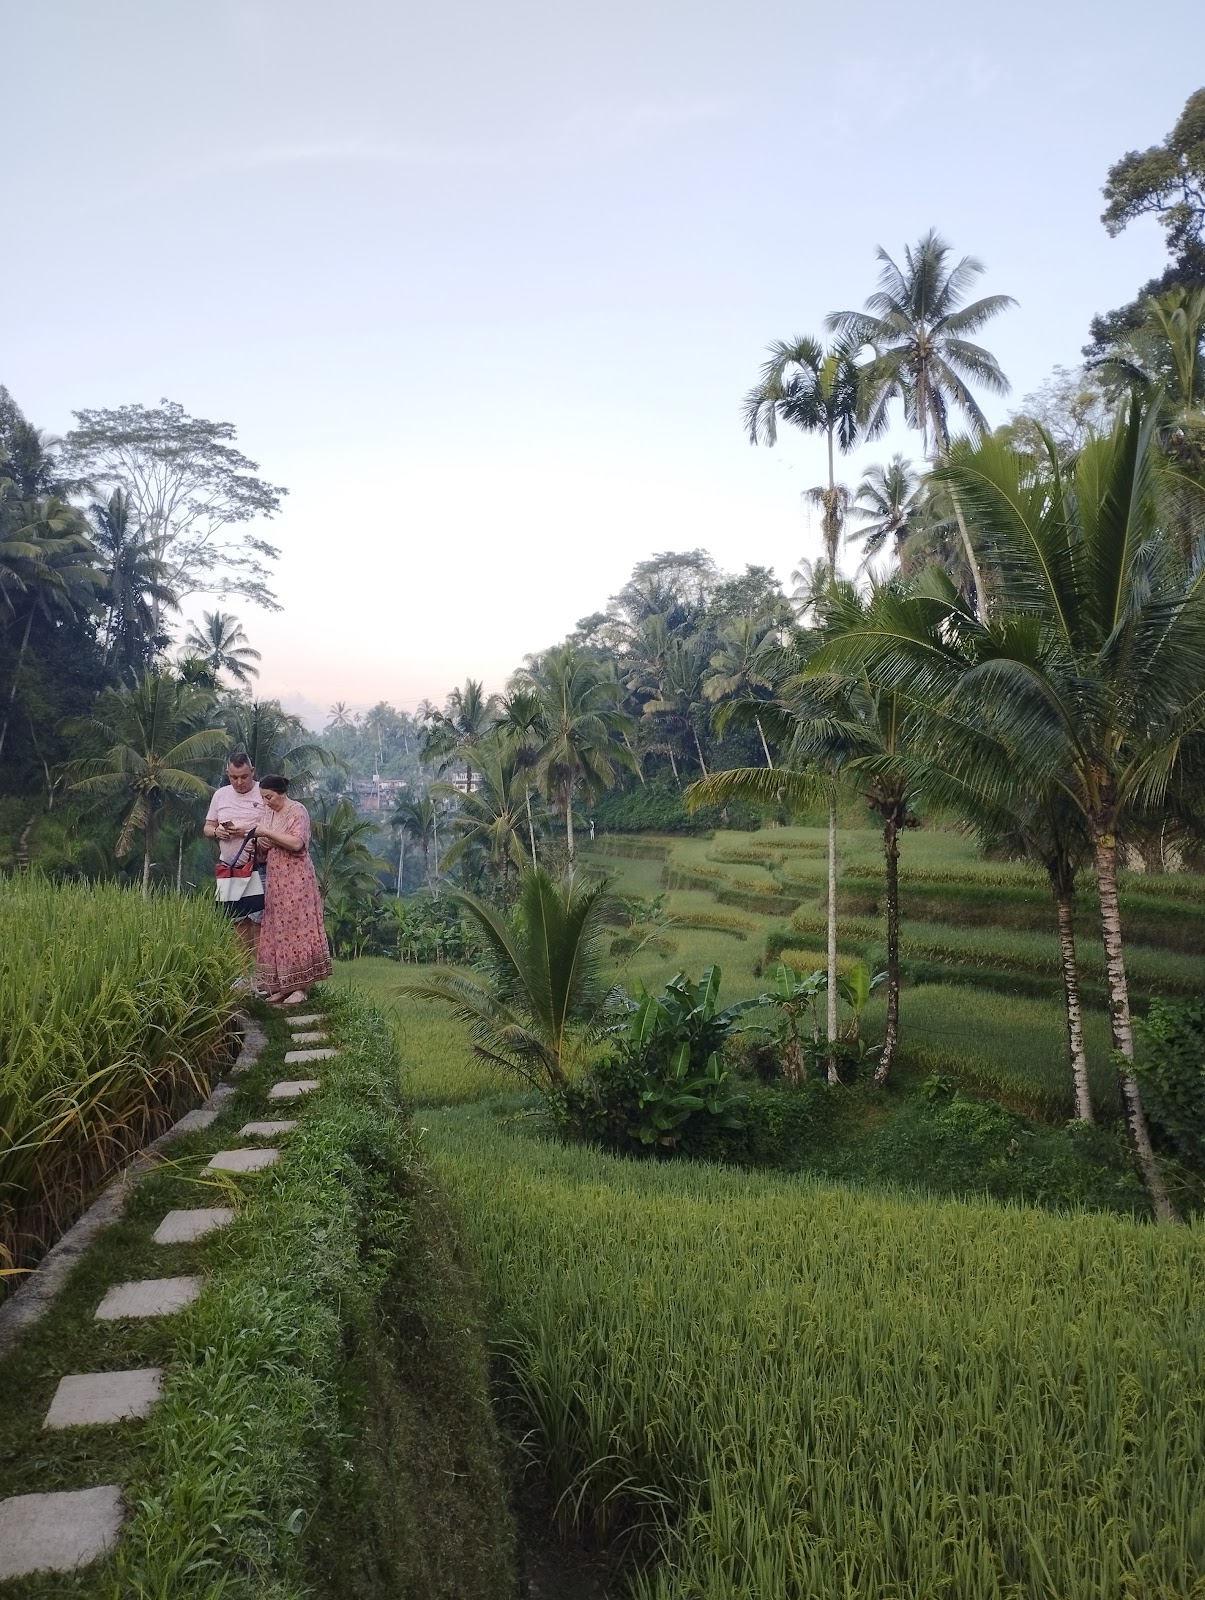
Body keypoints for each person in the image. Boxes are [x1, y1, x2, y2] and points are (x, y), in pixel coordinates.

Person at [254, 774, 333, 1005]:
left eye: (269, 797)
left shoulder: (298, 811)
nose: (266, 802)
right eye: (263, 798)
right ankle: (281, 985)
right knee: (277, 928)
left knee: (298, 927)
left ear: (281, 793)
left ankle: (301, 987)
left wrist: (267, 834)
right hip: (275, 878)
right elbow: (264, 842)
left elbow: (297, 843)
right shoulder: (268, 813)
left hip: (296, 878)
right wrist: (262, 842)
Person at [204, 752, 268, 953]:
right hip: (230, 868)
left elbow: (276, 828)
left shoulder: (264, 794)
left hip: (260, 867)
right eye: (234, 777)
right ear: (227, 774)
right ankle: (242, 976)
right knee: (237, 922)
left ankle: (261, 977)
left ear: (253, 771)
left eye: (244, 776)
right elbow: (207, 828)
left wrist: (249, 832)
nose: (239, 782)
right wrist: (217, 832)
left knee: (260, 921)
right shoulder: (220, 795)